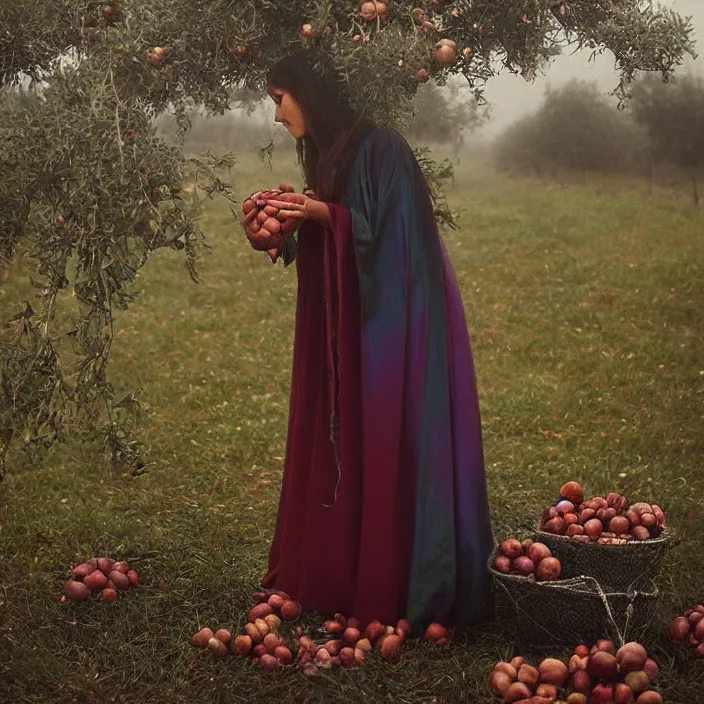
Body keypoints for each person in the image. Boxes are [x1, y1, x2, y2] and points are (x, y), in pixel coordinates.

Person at [239, 49, 494, 633]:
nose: (277, 115)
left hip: (393, 334)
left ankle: (400, 577)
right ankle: (346, 569)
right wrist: (287, 232)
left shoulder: (384, 148)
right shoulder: (330, 152)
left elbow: (394, 245)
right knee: (345, 433)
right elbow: (340, 230)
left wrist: (323, 214)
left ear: (309, 89)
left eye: (279, 99)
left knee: (388, 431)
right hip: (349, 331)